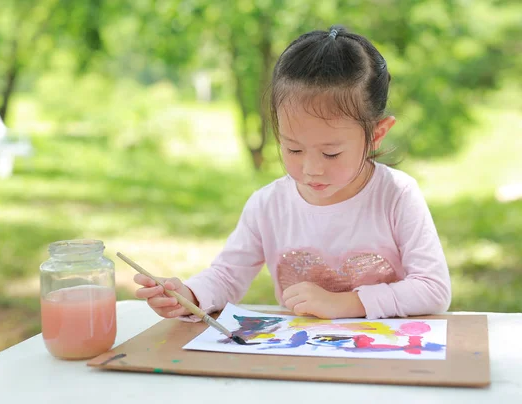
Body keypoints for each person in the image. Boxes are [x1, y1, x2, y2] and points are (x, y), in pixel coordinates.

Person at [134, 25, 451, 320]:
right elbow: (227, 276)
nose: (311, 169)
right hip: (298, 359)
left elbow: (434, 289)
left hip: (382, 358)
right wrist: (188, 294)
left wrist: (346, 304)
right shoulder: (268, 205)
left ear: (377, 134)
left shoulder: (396, 196)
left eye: (331, 153)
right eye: (294, 149)